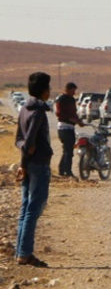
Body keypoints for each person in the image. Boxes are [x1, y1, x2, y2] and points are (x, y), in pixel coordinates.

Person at [15, 72, 53, 267]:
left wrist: (22, 164)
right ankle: (25, 253)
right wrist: (27, 156)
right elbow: (29, 142)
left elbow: (19, 140)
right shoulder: (38, 111)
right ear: (44, 90)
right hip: (38, 164)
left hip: (29, 163)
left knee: (25, 208)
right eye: (49, 87)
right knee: (34, 208)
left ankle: (20, 252)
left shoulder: (24, 108)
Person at [54, 82, 85, 177]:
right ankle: (67, 171)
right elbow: (59, 113)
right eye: (73, 90)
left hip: (70, 127)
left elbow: (73, 113)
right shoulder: (62, 99)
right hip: (64, 127)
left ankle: (62, 170)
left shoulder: (71, 99)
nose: (74, 92)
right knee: (68, 151)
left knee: (68, 149)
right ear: (67, 89)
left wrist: (78, 120)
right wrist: (70, 119)